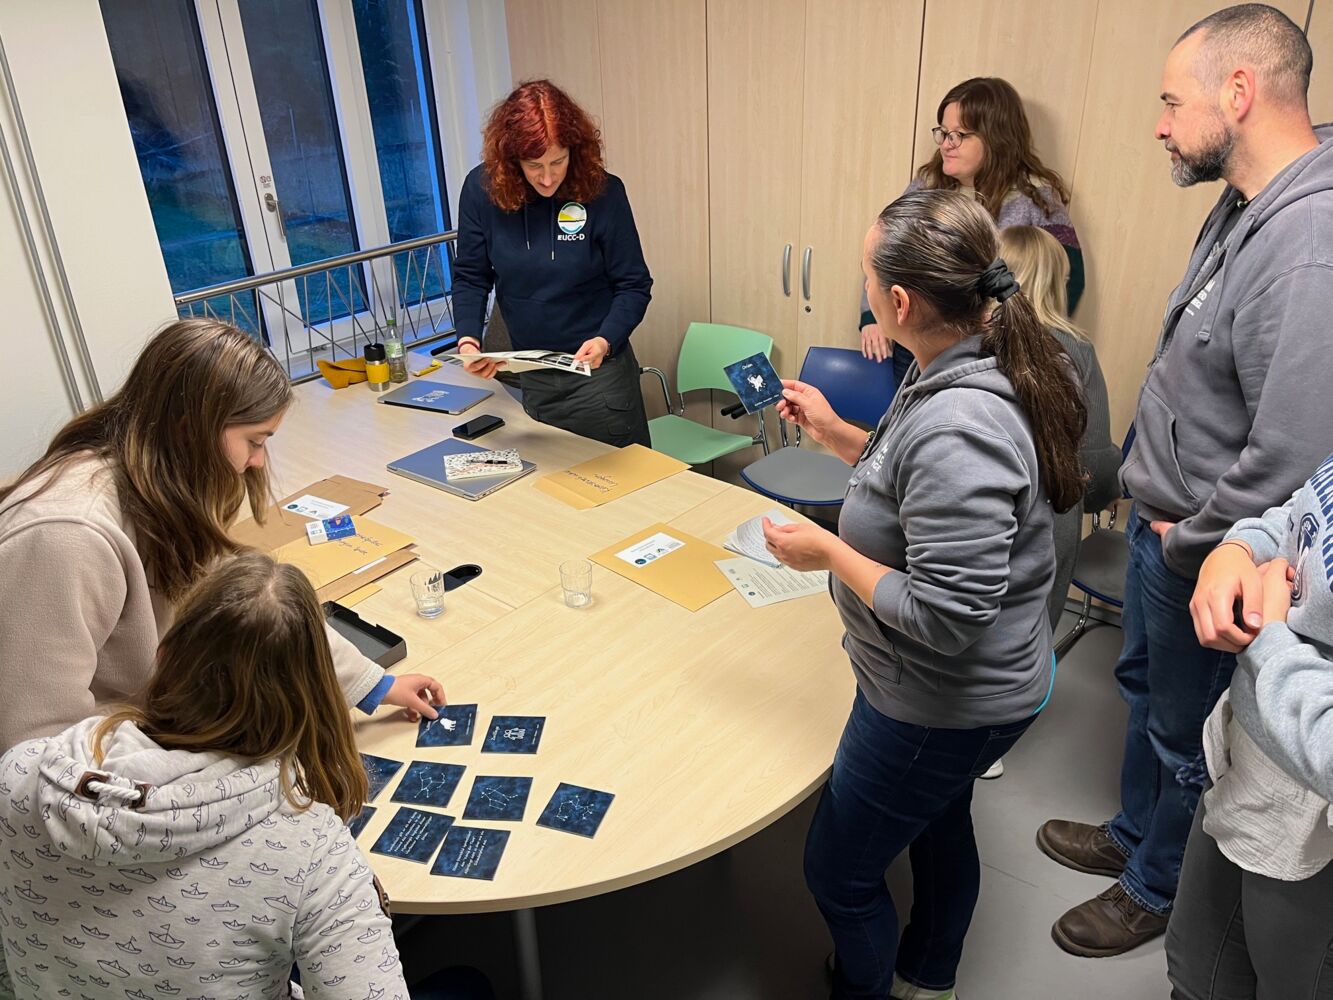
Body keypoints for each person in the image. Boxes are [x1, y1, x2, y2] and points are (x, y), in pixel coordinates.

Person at [1037, 3, 1333, 958]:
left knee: (1187, 736)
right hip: (1166, 523)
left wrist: (1198, 538)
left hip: (1202, 547)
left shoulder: (1309, 243)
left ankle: (1156, 886)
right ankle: (1134, 837)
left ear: (1237, 92)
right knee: (1146, 696)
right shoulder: (1249, 198)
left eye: (1171, 103)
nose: (1160, 125)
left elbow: (1295, 453)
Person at [764, 188, 1086, 1000]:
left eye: (865, 274)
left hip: (938, 699)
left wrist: (827, 551)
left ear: (899, 302)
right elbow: (913, 483)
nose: (864, 287)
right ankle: (928, 973)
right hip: (976, 688)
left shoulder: (959, 423)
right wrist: (837, 434)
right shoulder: (958, 363)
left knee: (837, 871)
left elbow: (944, 618)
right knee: (939, 820)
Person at [0, 551, 491, 1000]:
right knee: (470, 983)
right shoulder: (311, 849)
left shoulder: (20, 771)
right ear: (317, 699)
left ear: (163, 657)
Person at [0, 318, 444, 751]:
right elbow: (34, 749)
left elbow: (253, 602)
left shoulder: (160, 482)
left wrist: (373, 684)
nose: (257, 462)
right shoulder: (66, 537)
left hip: (148, 733)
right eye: (255, 441)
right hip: (97, 767)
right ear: (191, 429)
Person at [1165, 455, 1333, 997]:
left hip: (1315, 829)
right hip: (1250, 759)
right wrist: (1238, 548)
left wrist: (1270, 640)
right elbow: (1306, 514)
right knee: (1195, 973)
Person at [451, 79, 654, 448]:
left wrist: (605, 340)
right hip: (533, 377)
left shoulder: (603, 193)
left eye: (558, 161)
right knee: (549, 480)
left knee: (621, 480)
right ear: (512, 160)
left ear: (574, 150)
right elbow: (471, 277)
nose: (547, 178)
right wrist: (468, 341)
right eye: (534, 166)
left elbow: (634, 285)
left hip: (599, 379)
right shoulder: (482, 192)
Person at [859, 77, 1084, 392]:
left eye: (959, 135)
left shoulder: (1036, 199)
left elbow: (1066, 280)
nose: (945, 144)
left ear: (996, 138)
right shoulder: (927, 186)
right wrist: (872, 316)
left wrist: (1016, 338)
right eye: (943, 132)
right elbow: (885, 251)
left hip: (990, 356)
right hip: (915, 343)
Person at [999, 225, 1121, 628]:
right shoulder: (1076, 351)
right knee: (1028, 644)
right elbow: (1093, 465)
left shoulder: (964, 337)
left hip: (970, 518)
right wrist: (1108, 491)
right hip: (1047, 528)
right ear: (1056, 283)